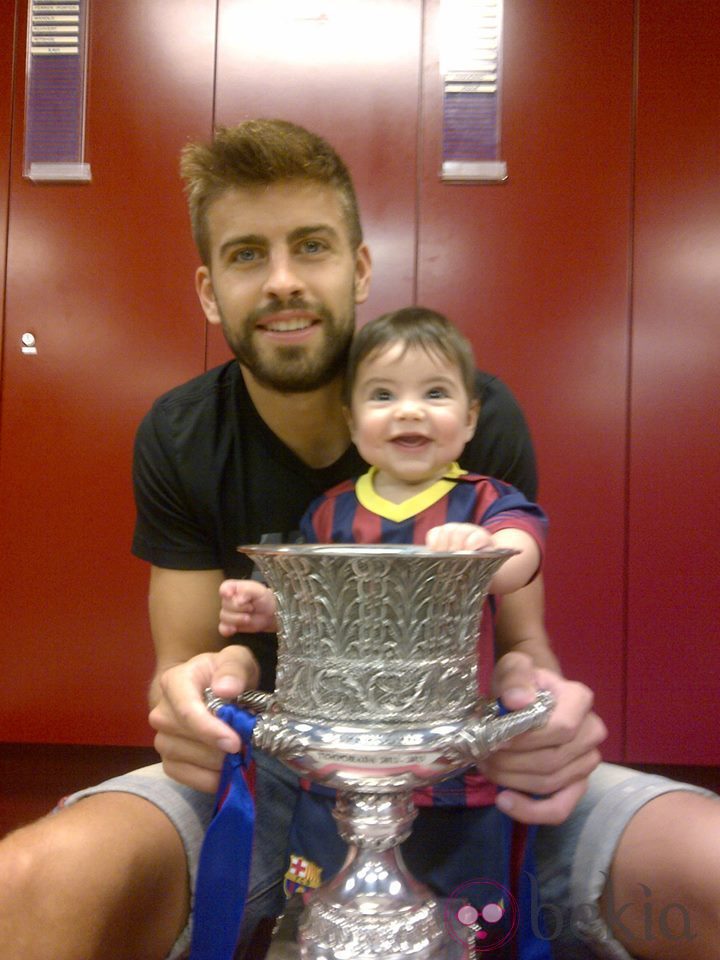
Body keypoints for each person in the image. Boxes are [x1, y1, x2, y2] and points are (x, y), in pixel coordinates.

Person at [0, 119, 717, 960]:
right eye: (245, 255)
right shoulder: (180, 434)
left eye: (311, 246)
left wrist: (542, 713)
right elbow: (191, 662)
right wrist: (191, 696)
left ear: (360, 268)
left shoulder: (473, 416)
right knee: (27, 883)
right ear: (207, 290)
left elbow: (525, 646)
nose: (281, 282)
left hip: (463, 772)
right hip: (263, 774)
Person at [216, 305, 553, 957]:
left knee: (470, 931)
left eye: (434, 393)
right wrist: (267, 609)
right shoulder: (329, 512)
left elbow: (526, 551)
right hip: (337, 775)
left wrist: (488, 546)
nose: (408, 412)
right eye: (382, 395)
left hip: (456, 775)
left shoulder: (485, 501)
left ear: (472, 419)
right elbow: (317, 619)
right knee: (327, 925)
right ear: (351, 421)